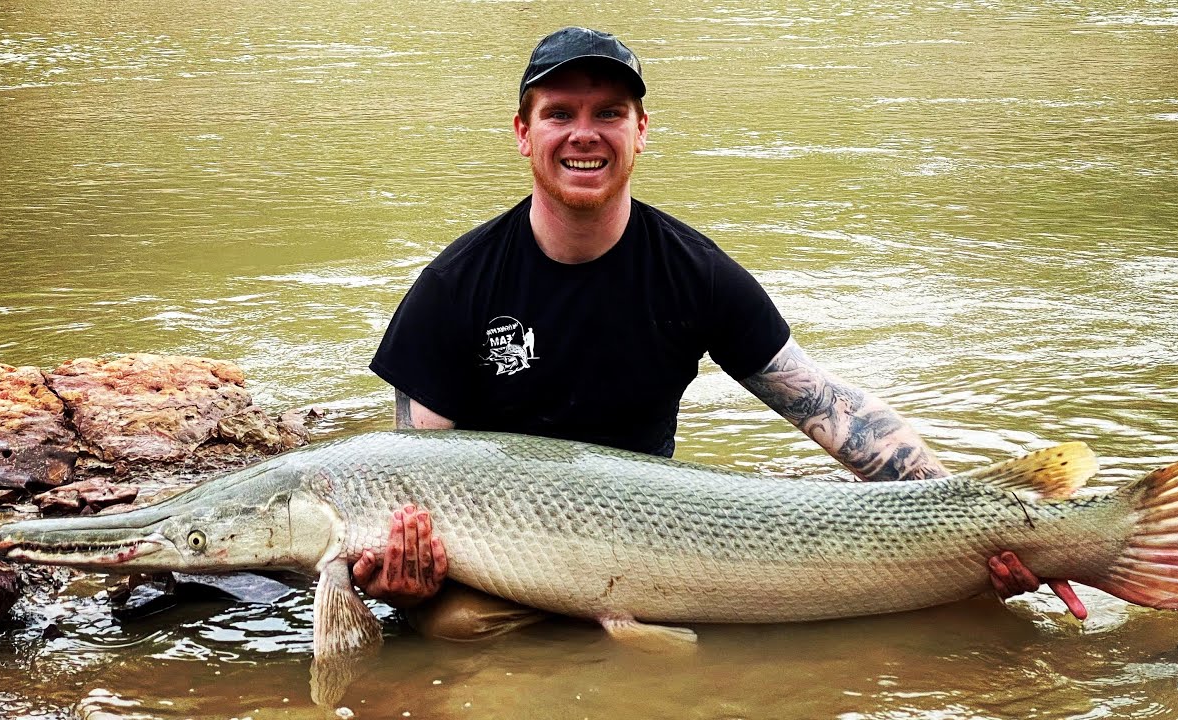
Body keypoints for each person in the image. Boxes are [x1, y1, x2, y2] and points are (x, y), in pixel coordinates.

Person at [361, 27, 1086, 638]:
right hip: (511, 566)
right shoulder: (453, 288)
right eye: (559, 113)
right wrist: (400, 576)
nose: (585, 133)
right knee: (451, 632)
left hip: (658, 543)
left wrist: (983, 524)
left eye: (609, 112)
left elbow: (835, 412)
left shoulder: (696, 273)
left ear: (640, 132)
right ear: (524, 133)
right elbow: (416, 479)